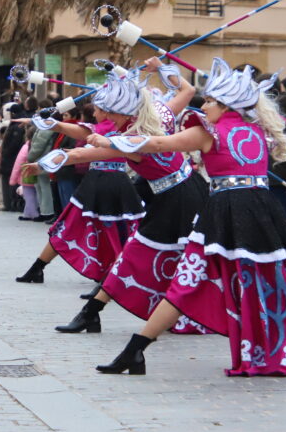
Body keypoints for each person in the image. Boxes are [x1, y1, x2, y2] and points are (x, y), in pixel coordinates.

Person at [94, 58, 286, 376]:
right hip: (262, 210)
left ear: (227, 105)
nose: (206, 105)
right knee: (275, 279)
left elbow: (158, 143)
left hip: (228, 210)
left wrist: (110, 141)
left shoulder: (207, 132)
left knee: (188, 281)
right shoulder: (256, 129)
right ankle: (137, 349)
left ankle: (136, 350)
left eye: (212, 100)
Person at [52, 58, 209, 336]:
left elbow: (88, 153)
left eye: (111, 113)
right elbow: (185, 90)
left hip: (181, 197)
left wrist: (55, 158)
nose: (107, 118)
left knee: (156, 255)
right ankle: (94, 313)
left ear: (127, 112)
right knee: (148, 254)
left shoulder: (135, 136)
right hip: (174, 193)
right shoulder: (155, 116)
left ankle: (93, 313)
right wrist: (160, 67)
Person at [14, 69, 145, 284]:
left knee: (115, 232)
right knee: (67, 226)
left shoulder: (127, 129)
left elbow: (81, 146)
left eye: (98, 109)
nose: (94, 113)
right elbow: (79, 132)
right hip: (95, 181)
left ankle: (113, 279)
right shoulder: (101, 127)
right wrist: (51, 124)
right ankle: (38, 267)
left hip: (113, 183)